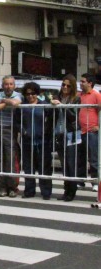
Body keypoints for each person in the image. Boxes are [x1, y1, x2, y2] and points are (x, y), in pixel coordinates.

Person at [17, 82, 53, 200]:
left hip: (42, 142)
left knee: (44, 168)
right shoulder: (22, 106)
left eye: (33, 93)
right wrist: (23, 131)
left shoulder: (44, 105)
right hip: (27, 141)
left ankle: (46, 192)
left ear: (37, 94)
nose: (30, 96)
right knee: (28, 168)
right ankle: (29, 191)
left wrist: (46, 132)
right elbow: (17, 122)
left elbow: (51, 120)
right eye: (28, 94)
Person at [0, 75, 22, 197]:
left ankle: (12, 188)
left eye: (10, 84)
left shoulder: (18, 95)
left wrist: (4, 102)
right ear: (2, 86)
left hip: (10, 129)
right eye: (6, 84)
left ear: (14, 85)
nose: (8, 87)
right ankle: (2, 188)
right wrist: (5, 103)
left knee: (10, 160)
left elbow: (15, 103)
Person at [50, 74, 81, 202]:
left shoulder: (76, 99)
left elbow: (74, 115)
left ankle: (71, 191)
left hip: (72, 133)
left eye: (68, 85)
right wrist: (52, 103)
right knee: (64, 164)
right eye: (63, 84)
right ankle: (66, 190)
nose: (65, 87)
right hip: (59, 133)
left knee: (71, 164)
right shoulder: (58, 96)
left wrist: (62, 105)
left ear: (72, 87)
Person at [78, 73, 101, 192]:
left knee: (93, 158)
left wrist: (98, 126)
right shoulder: (79, 95)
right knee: (81, 158)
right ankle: (81, 181)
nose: (80, 83)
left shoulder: (96, 95)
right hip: (80, 131)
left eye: (83, 81)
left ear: (90, 83)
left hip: (92, 131)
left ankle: (95, 181)